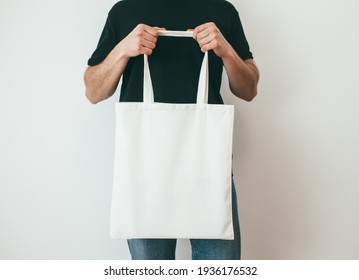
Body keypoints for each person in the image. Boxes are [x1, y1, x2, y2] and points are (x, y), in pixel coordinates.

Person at [84, 0, 259, 260]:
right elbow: (93, 91)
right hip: (143, 173)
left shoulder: (222, 10)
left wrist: (226, 51)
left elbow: (249, 89)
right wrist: (123, 49)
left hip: (208, 169)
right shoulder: (124, 11)